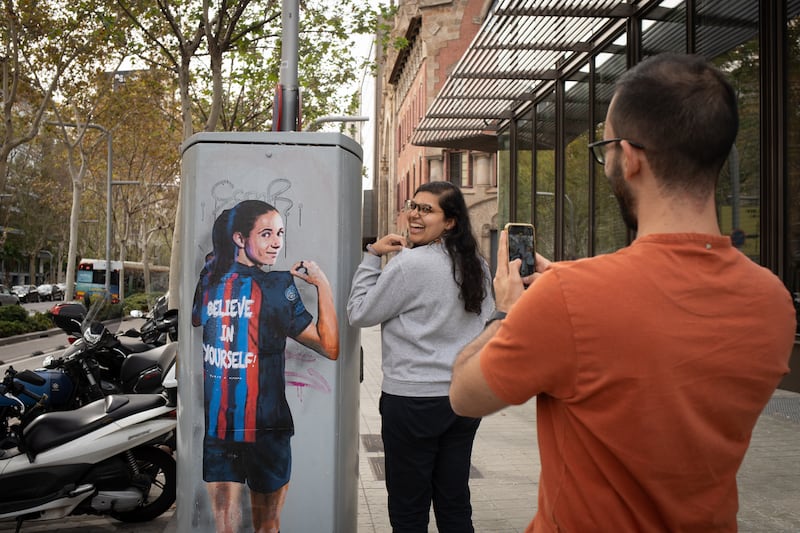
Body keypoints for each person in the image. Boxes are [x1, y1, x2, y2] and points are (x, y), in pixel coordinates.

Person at [449, 53, 796, 532]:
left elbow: (465, 396)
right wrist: (568, 287)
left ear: (629, 157)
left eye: (605, 146)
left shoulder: (570, 299)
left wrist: (508, 312)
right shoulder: (773, 300)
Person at [347, 181, 494, 533]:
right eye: (414, 205)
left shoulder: (409, 265)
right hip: (462, 399)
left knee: (409, 506)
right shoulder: (477, 265)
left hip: (413, 401)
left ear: (450, 222)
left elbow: (360, 312)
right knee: (454, 500)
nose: (414, 213)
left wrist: (371, 256)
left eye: (427, 210)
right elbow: (487, 323)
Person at [192, 199, 339, 533]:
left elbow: (199, 314)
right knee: (267, 527)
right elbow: (330, 347)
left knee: (225, 528)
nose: (277, 242)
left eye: (280, 233)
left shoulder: (210, 281)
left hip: (220, 426)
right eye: (266, 234)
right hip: (267, 428)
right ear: (241, 239)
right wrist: (322, 285)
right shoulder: (277, 287)